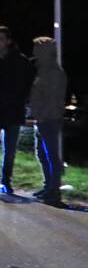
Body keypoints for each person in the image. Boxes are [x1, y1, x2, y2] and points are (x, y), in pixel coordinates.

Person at [29, 37, 66, 207]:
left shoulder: (53, 72)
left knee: (51, 156)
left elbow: (52, 98)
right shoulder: (43, 70)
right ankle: (48, 186)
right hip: (42, 119)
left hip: (49, 119)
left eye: (37, 49)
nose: (34, 53)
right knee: (43, 155)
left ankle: (53, 190)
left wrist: (42, 115)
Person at [0, 26, 35, 196]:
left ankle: (6, 180)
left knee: (10, 150)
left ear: (8, 41)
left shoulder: (21, 62)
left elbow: (28, 84)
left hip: (13, 111)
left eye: (1, 39)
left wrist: (21, 100)